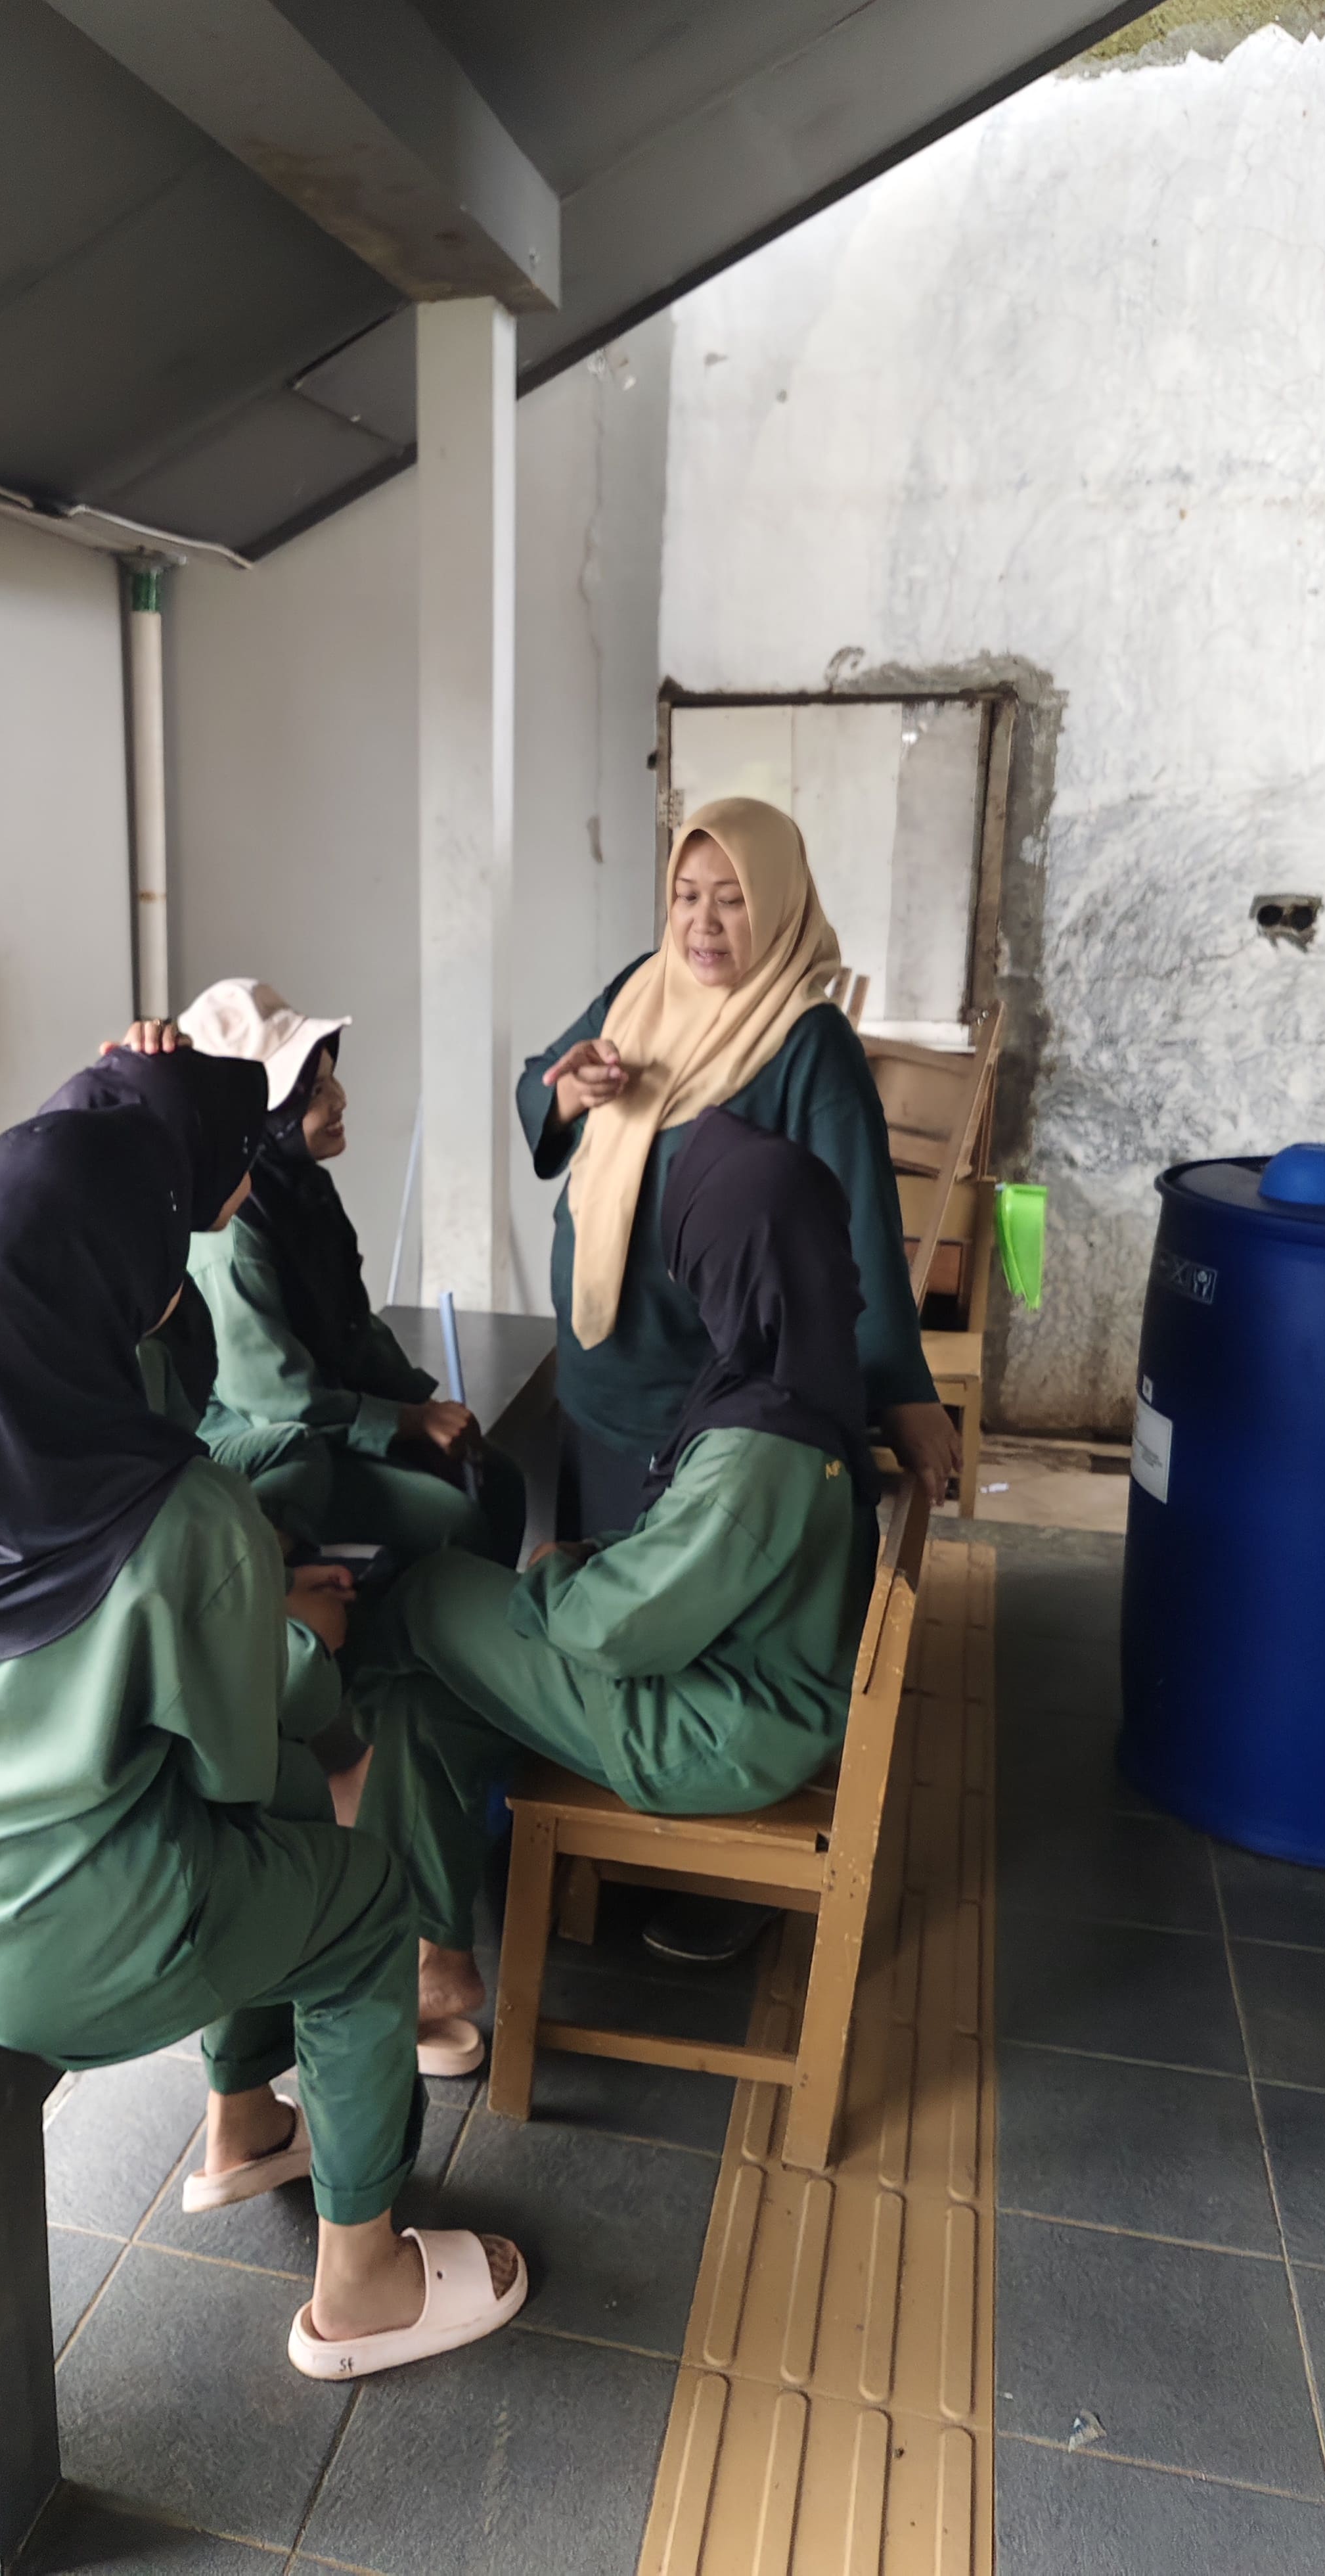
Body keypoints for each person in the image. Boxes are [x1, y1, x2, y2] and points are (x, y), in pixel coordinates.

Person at [0, 1053, 525, 2378]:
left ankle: (245, 2126)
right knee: (359, 1898)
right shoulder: (187, 1518)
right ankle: (363, 2283)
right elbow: (237, 1771)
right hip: (86, 1943)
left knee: (267, 1836)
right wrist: (289, 1641)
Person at [516, 799, 952, 1963]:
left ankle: (720, 1866)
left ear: (781, 904)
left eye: (732, 900)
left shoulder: (805, 1045)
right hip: (603, 1385)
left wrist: (902, 1393)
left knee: (711, 1624)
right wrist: (566, 1092)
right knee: (620, 1617)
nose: (703, 925)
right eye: (686, 896)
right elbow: (537, 1086)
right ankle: (614, 1841)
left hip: (710, 1408)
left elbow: (857, 1242)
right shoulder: (637, 991)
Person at [346, 1113, 884, 2027]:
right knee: (433, 1690)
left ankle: (326, 1780)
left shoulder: (761, 1449)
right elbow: (691, 1565)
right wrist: (588, 1563)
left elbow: (623, 1630)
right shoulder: (800, 1367)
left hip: (710, 1729)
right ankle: (440, 1958)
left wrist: (556, 1578)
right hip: (745, 1692)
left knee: (430, 1595)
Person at [160, 978, 526, 1567]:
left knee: (499, 1480)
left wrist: (424, 1407)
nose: (341, 1099)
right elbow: (277, 1404)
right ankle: (386, 1624)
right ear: (259, 1114)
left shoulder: (300, 1191)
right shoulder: (231, 1238)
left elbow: (351, 1323)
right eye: (314, 1092)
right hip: (270, 1448)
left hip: (323, 1419)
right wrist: (407, 1423)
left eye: (332, 1080)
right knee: (456, 1520)